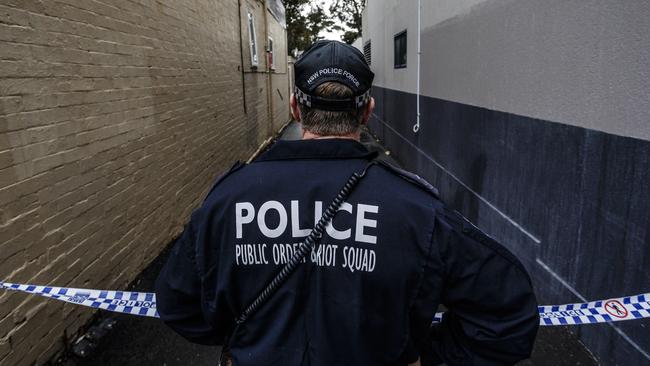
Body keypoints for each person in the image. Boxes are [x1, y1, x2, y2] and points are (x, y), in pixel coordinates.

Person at [155, 40, 539, 366]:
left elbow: (178, 304)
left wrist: (249, 340)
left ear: (295, 108)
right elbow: (508, 315)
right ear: (367, 111)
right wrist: (426, 351)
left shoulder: (228, 199)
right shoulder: (416, 212)